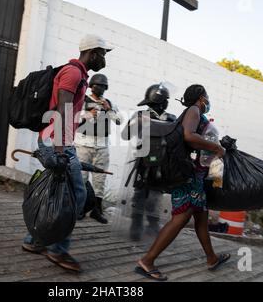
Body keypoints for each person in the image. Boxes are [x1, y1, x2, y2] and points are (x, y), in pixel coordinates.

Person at [22, 35, 113, 273]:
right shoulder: (73, 73)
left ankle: (35, 240)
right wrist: (62, 150)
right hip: (58, 141)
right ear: (92, 52)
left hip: (56, 140)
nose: (104, 59)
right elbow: (62, 109)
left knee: (56, 191)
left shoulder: (79, 74)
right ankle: (58, 250)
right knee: (76, 195)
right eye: (103, 54)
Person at [135, 84, 230, 281]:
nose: (207, 101)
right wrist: (216, 147)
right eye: (206, 97)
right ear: (201, 98)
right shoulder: (194, 110)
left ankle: (211, 258)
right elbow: (189, 136)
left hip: (195, 174)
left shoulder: (192, 111)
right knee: (181, 217)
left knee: (201, 218)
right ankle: (148, 260)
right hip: (189, 175)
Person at [121, 84, 176, 241]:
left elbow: (177, 140)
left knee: (155, 198)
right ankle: (135, 228)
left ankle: (153, 228)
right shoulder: (141, 115)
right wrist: (137, 122)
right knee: (139, 197)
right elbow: (125, 135)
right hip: (143, 163)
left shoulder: (171, 119)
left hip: (161, 164)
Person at [76, 74, 122, 224]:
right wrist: (89, 114)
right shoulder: (83, 100)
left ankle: (97, 210)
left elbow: (119, 120)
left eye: (103, 86)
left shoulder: (108, 103)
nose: (100, 88)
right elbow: (74, 118)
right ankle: (80, 208)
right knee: (81, 178)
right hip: (84, 145)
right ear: (91, 86)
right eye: (98, 85)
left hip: (102, 146)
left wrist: (108, 110)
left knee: (99, 180)